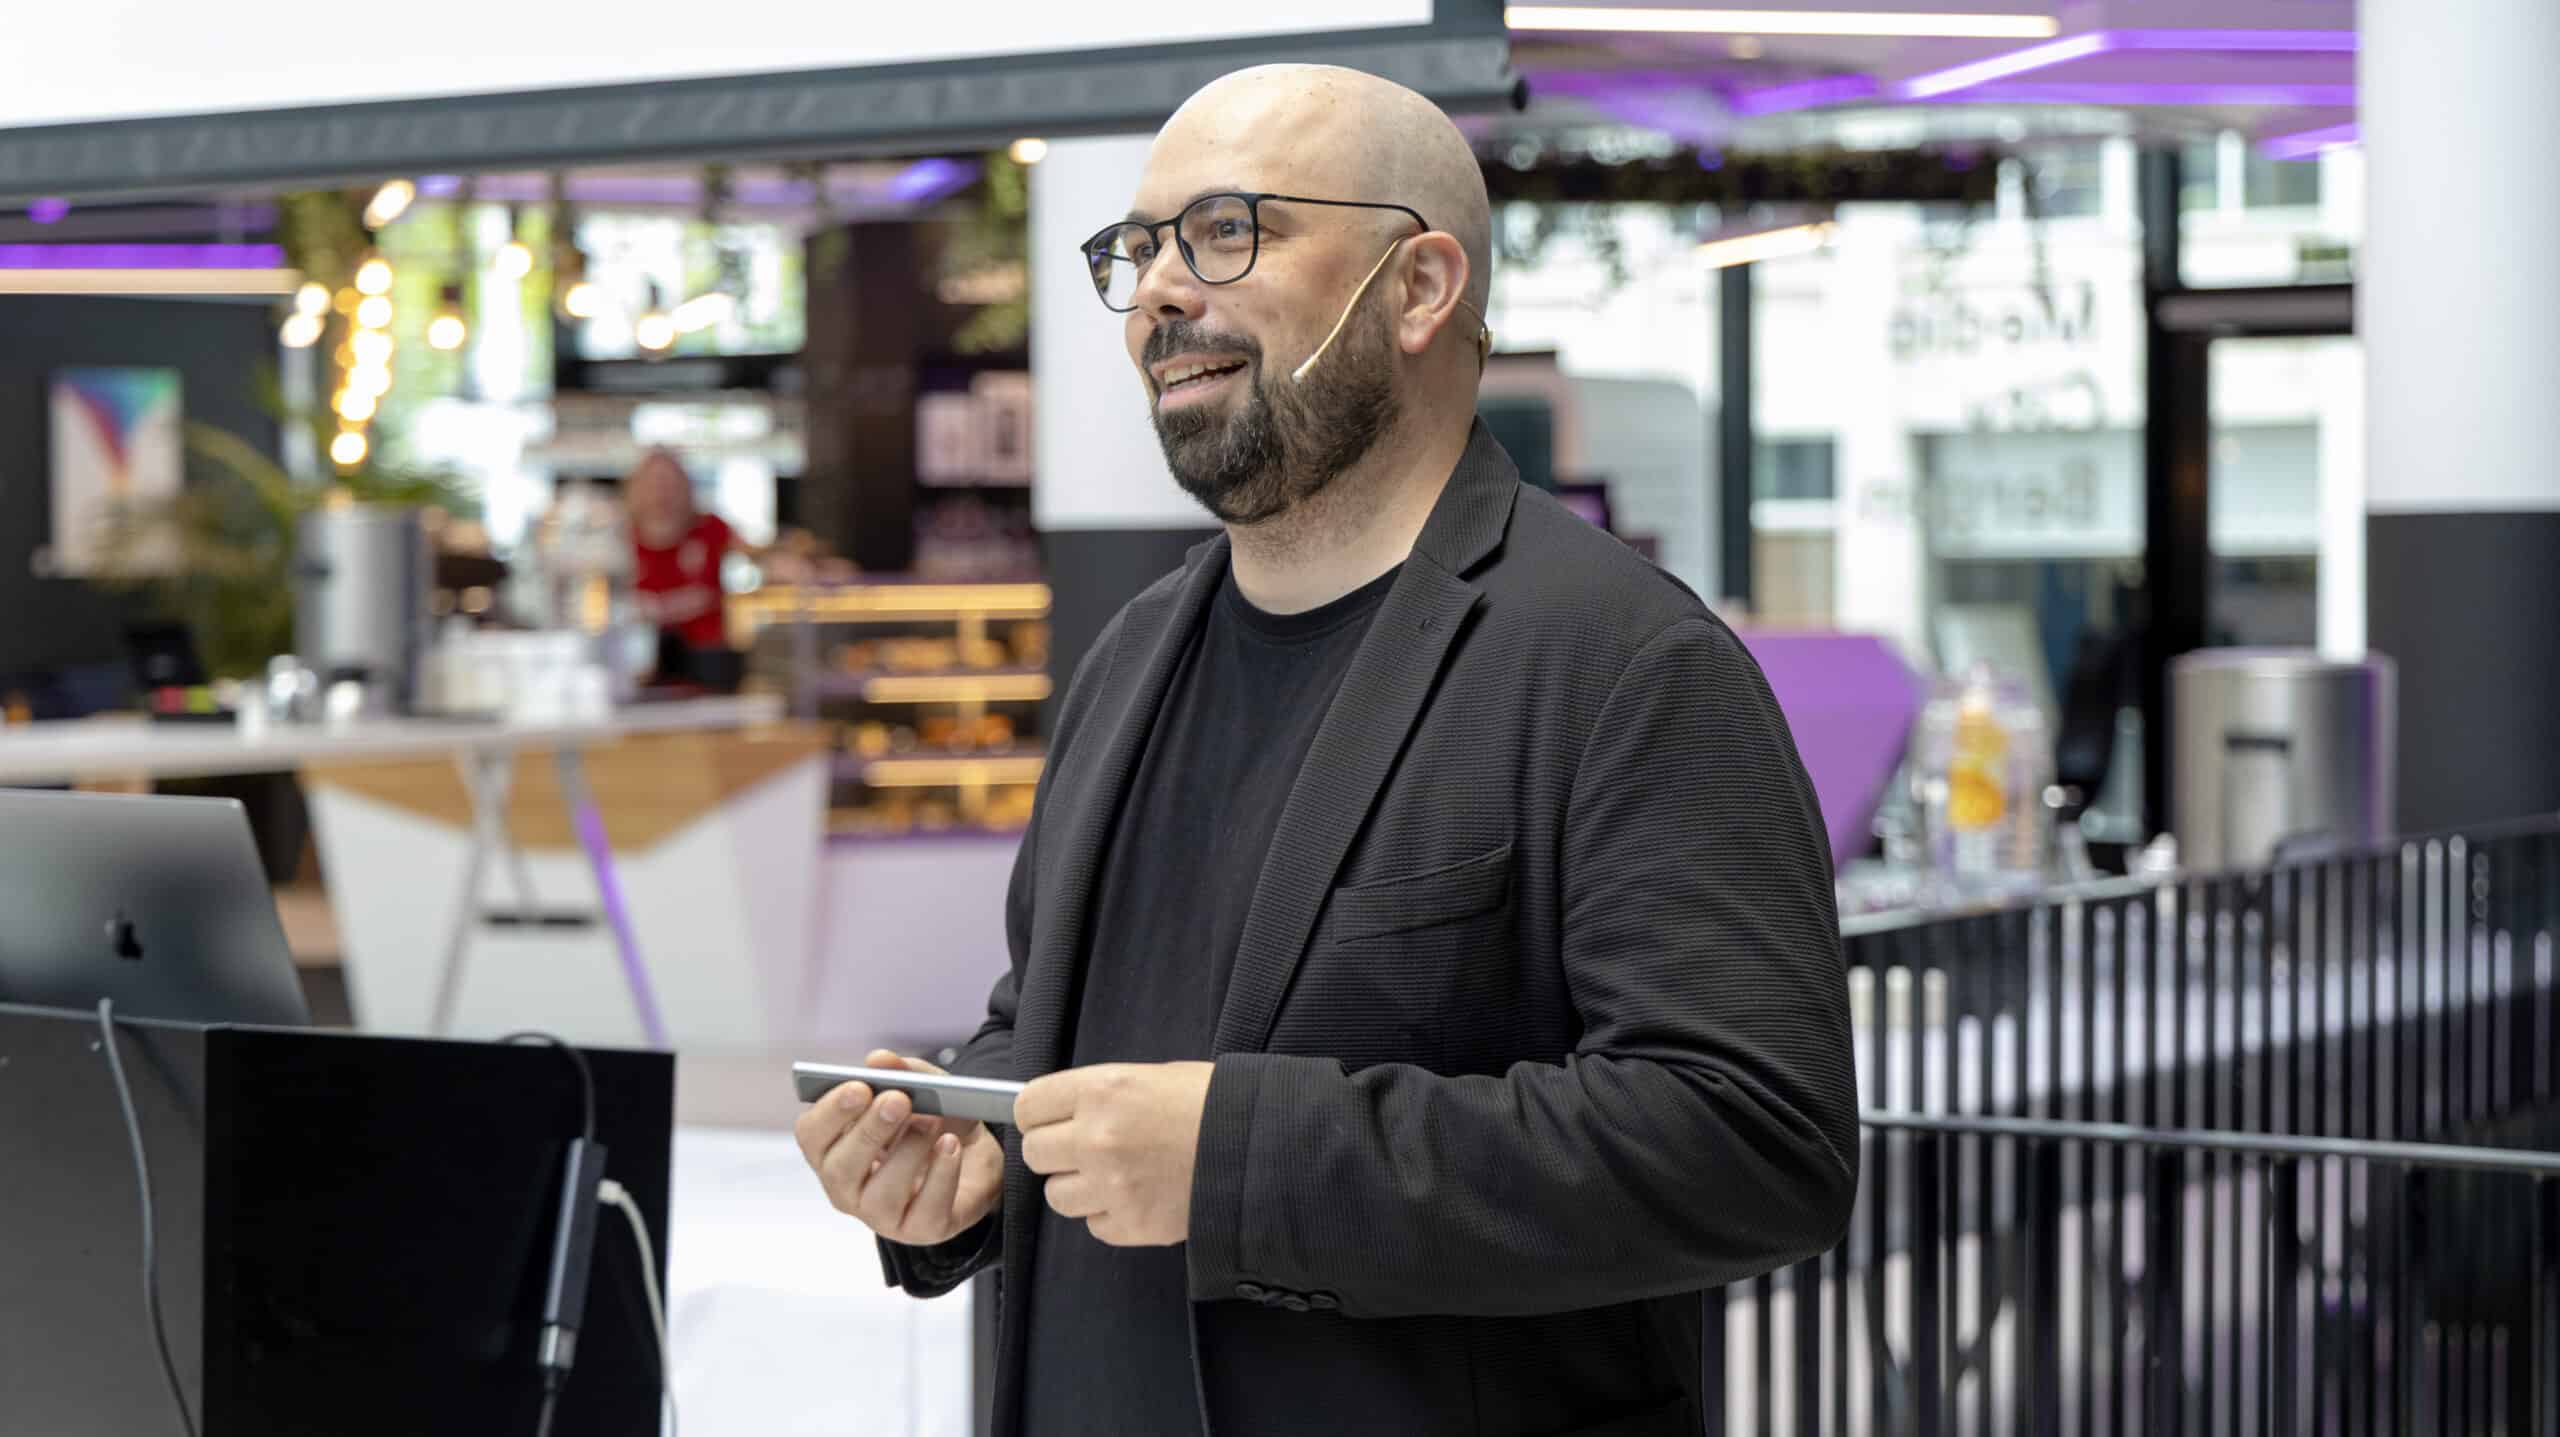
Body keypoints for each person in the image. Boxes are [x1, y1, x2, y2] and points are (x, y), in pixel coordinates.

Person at [794, 63, 1857, 1437]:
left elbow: (1755, 1143)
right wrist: (970, 1147)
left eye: (1226, 231)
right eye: (1140, 249)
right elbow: (1055, 1029)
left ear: (1417, 288)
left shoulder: (1620, 661)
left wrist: (1244, 1161)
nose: (1160, 291)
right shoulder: (1130, 659)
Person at [623, 447, 745, 690]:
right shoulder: (619, 538)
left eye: (669, 483)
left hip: (707, 667)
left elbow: (757, 556)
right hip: (638, 668)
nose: (661, 493)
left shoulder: (711, 529)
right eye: (653, 484)